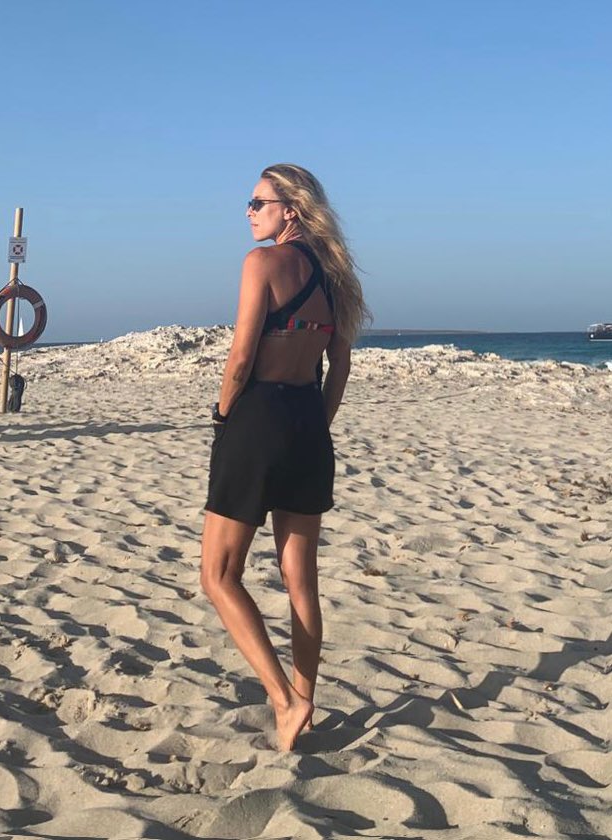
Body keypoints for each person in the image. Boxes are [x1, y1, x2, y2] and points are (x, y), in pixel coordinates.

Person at [200, 163, 370, 750]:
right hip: (306, 422)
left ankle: (284, 699)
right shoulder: (337, 278)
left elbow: (241, 357)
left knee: (219, 574)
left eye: (258, 203)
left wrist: (223, 415)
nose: (249, 212)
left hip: (258, 420)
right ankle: (305, 701)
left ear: (289, 211)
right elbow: (340, 365)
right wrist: (316, 425)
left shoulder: (262, 263)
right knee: (301, 582)